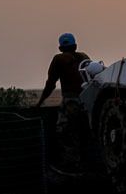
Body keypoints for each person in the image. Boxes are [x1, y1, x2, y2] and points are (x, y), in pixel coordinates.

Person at [37, 33, 90, 166]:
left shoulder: (59, 59)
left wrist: (40, 102)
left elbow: (51, 84)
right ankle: (87, 163)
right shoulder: (84, 57)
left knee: (66, 133)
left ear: (60, 48)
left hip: (71, 102)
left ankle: (72, 166)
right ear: (75, 46)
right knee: (85, 133)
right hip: (87, 101)